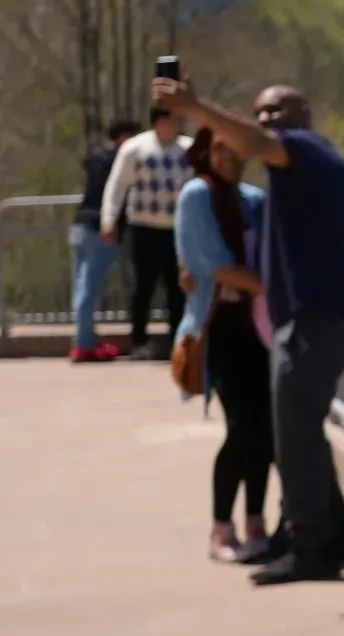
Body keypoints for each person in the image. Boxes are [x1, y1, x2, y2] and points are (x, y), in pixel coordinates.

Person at [153, 78, 344, 586]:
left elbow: (257, 142)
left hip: (319, 315)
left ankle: (310, 546)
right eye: (261, 112)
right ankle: (337, 532)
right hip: (310, 316)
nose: (268, 119)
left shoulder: (304, 150)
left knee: (292, 427)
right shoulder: (283, 177)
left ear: (304, 112)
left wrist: (192, 106)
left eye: (277, 110)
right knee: (299, 427)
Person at [174, 127, 275, 564]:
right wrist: (273, 287)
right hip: (220, 327)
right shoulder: (197, 196)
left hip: (259, 327)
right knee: (242, 428)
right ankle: (221, 527)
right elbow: (213, 266)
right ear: (206, 152)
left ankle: (256, 519)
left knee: (266, 430)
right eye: (219, 148)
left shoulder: (253, 200)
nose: (228, 157)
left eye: (235, 149)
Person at [100, 104, 193, 360]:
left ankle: (178, 341)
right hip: (143, 227)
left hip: (179, 229)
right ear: (160, 120)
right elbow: (117, 185)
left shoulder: (189, 149)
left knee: (178, 288)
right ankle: (139, 341)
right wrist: (109, 219)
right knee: (143, 287)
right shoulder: (135, 148)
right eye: (173, 118)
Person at [69, 117, 141, 362]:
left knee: (81, 286)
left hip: (80, 224)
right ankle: (84, 343)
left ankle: (84, 338)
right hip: (102, 227)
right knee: (89, 287)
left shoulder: (96, 157)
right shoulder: (122, 161)